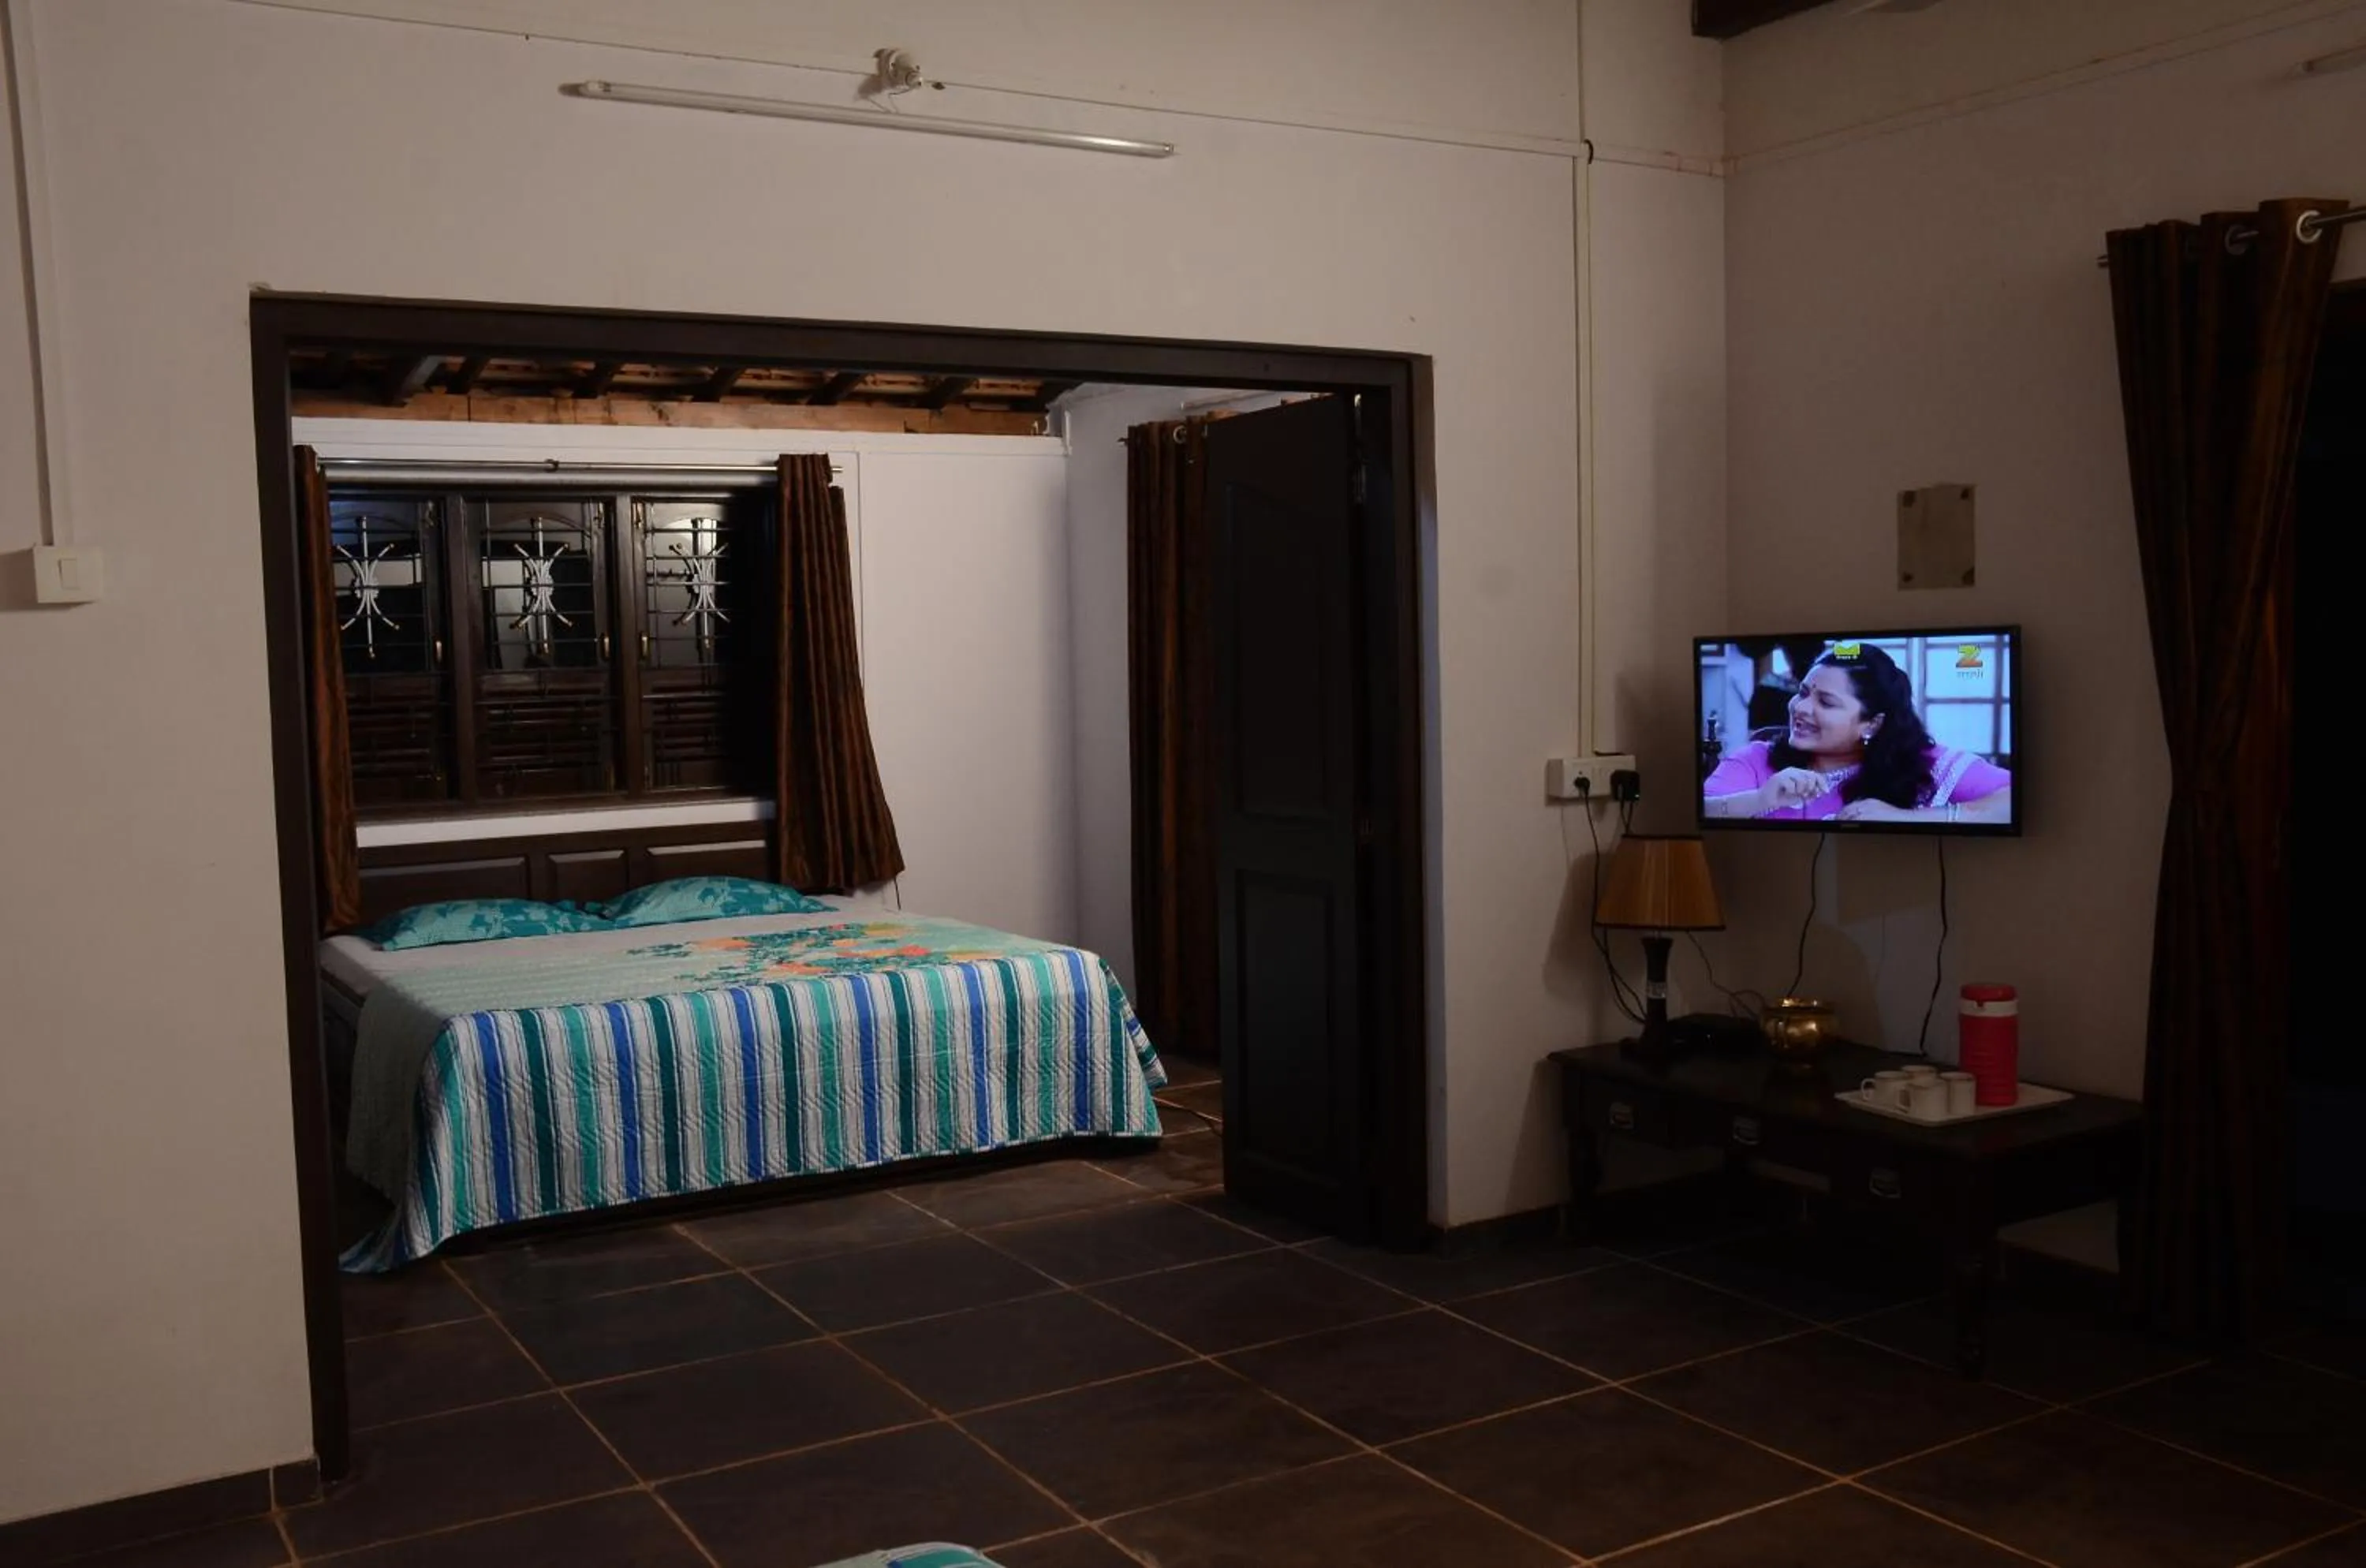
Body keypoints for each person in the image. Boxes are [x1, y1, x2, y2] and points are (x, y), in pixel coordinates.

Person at [1702, 642, 2011, 824]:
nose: (1801, 708)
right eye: (1803, 692)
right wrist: (1759, 800)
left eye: (1825, 702)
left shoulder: (1926, 764)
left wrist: (1905, 819)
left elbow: (2013, 799)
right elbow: (1700, 811)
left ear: (1872, 724)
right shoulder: (1757, 759)